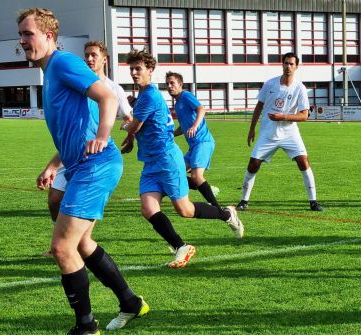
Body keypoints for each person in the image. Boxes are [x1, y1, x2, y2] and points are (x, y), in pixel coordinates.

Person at [18, 9, 148, 335]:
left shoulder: (63, 63)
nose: (22, 41)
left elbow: (106, 96)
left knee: (63, 248)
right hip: (80, 166)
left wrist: (104, 136)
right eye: (20, 34)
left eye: (28, 34)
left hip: (97, 165)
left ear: (48, 36)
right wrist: (53, 165)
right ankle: (131, 302)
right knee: (82, 243)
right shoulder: (52, 73)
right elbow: (73, 131)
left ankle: (87, 327)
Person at [120, 49, 244, 269]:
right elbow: (140, 128)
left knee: (184, 210)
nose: (134, 73)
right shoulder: (143, 97)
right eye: (131, 69)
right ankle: (181, 247)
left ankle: (226, 214)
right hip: (151, 162)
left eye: (138, 68)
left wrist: (126, 125)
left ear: (150, 70)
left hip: (167, 159)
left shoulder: (150, 96)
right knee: (148, 209)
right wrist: (131, 138)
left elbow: (135, 124)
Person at [39, 40, 133, 258]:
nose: (89, 59)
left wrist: (127, 133)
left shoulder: (111, 89)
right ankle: (63, 240)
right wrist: (52, 165)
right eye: (86, 55)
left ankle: (66, 244)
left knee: (80, 242)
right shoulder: (74, 77)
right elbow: (71, 130)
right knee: (53, 199)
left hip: (95, 156)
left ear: (104, 59)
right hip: (71, 154)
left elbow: (128, 116)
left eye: (94, 55)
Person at [236, 52, 323, 212]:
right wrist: (251, 129)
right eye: (286, 63)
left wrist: (283, 116)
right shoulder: (270, 84)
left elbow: (304, 116)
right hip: (268, 133)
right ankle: (243, 200)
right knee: (253, 164)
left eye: (291, 64)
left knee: (304, 162)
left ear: (296, 67)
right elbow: (259, 107)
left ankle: (313, 201)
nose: (288, 66)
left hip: (290, 133)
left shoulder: (300, 88)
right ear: (282, 64)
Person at [166, 71, 222, 210]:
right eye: (167, 84)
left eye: (172, 83)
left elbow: (201, 109)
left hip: (203, 142)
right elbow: (184, 127)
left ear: (180, 84)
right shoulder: (178, 104)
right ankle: (206, 188)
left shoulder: (186, 96)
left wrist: (195, 126)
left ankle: (217, 208)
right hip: (193, 146)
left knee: (196, 176)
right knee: (175, 173)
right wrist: (171, 134)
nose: (169, 86)